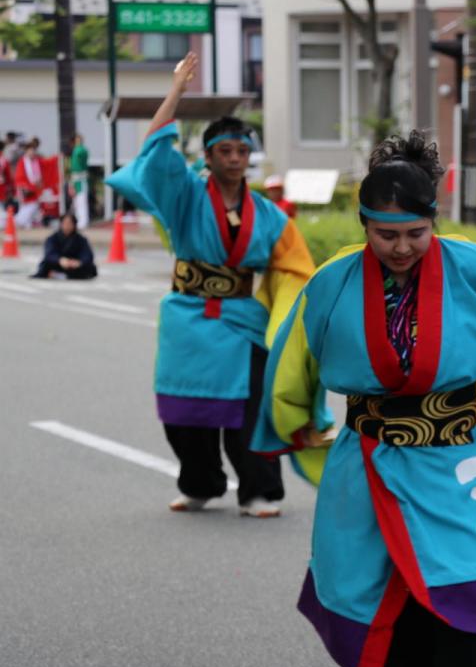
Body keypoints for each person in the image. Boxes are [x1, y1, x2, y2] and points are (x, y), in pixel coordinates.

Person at [252, 130, 476, 667]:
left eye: (416, 233)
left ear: (434, 221)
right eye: (386, 235)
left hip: (454, 464)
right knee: (388, 608)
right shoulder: (331, 283)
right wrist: (295, 421)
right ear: (364, 226)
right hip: (368, 465)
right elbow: (293, 359)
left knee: (471, 608)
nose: (402, 247)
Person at [106, 51, 317, 518]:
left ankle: (259, 490)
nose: (236, 159)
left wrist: (295, 312)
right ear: (208, 156)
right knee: (184, 414)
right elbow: (155, 150)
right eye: (226, 151)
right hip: (189, 318)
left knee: (250, 410)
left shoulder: (267, 213)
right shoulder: (183, 193)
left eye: (243, 151)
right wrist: (177, 90)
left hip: (243, 320)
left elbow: (294, 266)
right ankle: (200, 483)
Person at [30, 213, 96, 279]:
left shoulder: (81, 239)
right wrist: (59, 260)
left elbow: (87, 254)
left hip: (74, 265)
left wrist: (79, 262)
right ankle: (57, 274)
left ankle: (61, 275)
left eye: (70, 223)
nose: (67, 226)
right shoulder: (53, 238)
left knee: (90, 267)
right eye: (65, 223)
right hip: (58, 263)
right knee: (46, 264)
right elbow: (49, 253)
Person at [13, 138, 44, 228]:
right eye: (30, 150)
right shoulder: (22, 162)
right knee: (28, 208)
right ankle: (19, 222)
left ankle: (28, 223)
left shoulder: (37, 161)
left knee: (35, 209)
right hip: (26, 190)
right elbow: (19, 177)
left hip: (35, 189)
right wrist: (26, 187)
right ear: (26, 151)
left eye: (34, 150)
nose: (32, 152)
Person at [69, 133, 90, 227]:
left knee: (81, 201)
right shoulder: (76, 151)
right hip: (75, 179)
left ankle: (83, 221)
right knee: (77, 202)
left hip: (81, 179)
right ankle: (78, 220)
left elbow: (82, 155)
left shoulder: (81, 150)